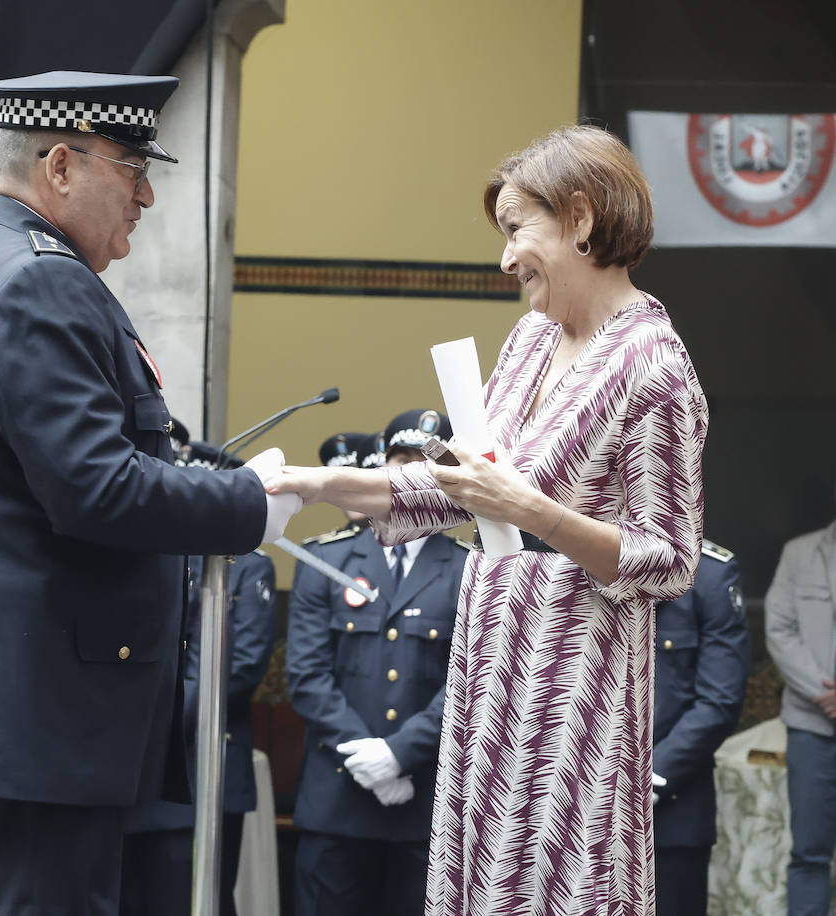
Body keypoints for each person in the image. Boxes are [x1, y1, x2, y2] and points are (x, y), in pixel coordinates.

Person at [267, 125, 708, 915]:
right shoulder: (533, 340)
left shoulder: (655, 365)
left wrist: (532, 510)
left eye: (516, 230)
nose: (505, 259)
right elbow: (457, 491)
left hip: (578, 678)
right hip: (489, 660)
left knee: (559, 883)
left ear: (579, 219)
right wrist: (315, 482)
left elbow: (670, 558)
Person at [0, 70, 297, 914]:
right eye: (131, 166)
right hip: (41, 716)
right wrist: (251, 503)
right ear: (61, 166)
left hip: (21, 713)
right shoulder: (38, 281)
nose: (147, 194)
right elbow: (96, 490)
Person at [288, 412, 465, 916]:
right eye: (399, 461)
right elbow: (307, 675)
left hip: (428, 803)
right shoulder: (327, 561)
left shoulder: (470, 568)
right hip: (338, 798)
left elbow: (471, 682)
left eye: (424, 463)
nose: (410, 473)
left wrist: (400, 754)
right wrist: (367, 757)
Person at [120, 443, 277, 916]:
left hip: (201, 760)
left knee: (196, 899)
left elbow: (242, 662)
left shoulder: (246, 562)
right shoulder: (142, 556)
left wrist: (153, 718)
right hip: (132, 768)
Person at [653, 539, 748, 916]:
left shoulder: (707, 573)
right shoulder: (565, 562)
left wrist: (651, 777)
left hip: (669, 812)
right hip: (572, 803)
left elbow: (719, 700)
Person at [765, 518, 836, 916]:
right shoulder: (800, 552)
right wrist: (821, 694)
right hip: (812, 726)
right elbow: (779, 629)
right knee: (809, 853)